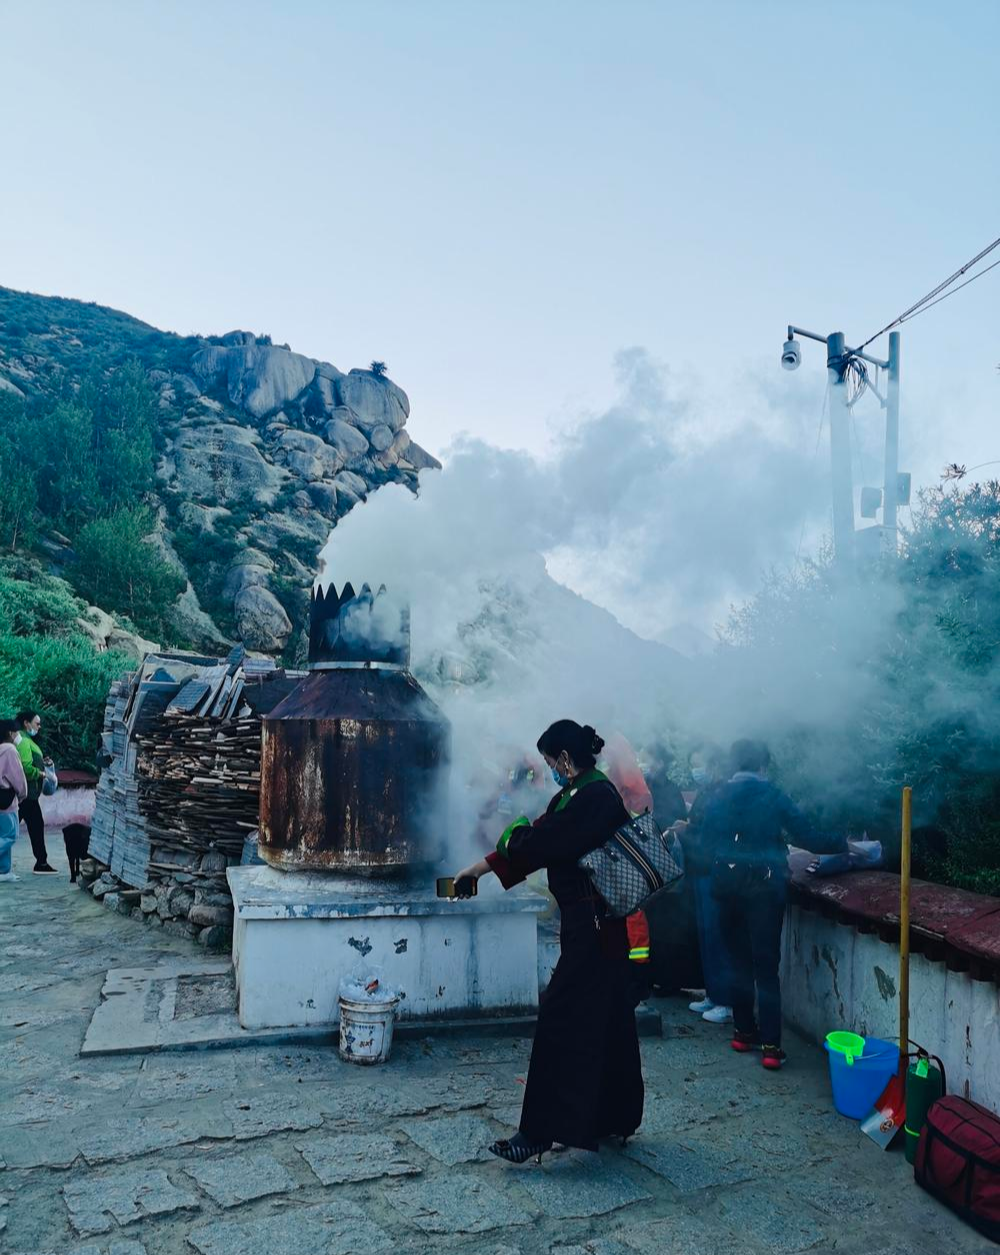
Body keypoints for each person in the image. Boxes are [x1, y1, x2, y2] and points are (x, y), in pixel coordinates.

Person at [453, 719, 643, 1163]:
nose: (548, 771)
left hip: (595, 929)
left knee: (560, 1019)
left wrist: (512, 832)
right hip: (591, 927)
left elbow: (539, 842)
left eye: (548, 762)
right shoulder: (573, 796)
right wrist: (478, 870)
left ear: (563, 759)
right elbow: (538, 839)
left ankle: (540, 1130)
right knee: (609, 1018)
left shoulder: (596, 797)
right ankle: (614, 1117)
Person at [700, 738, 847, 1070]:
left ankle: (742, 1032)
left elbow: (704, 841)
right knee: (765, 967)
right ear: (763, 765)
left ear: (735, 764)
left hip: (726, 887)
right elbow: (806, 836)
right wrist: (843, 843)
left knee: (738, 963)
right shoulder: (772, 794)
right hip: (764, 890)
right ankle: (770, 1047)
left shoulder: (719, 796)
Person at [676, 742, 734, 1025]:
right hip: (699, 870)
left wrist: (686, 830)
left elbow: (711, 836)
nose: (695, 770)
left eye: (699, 764)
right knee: (706, 936)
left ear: (714, 765)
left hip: (714, 872)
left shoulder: (721, 794)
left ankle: (727, 1001)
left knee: (718, 937)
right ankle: (713, 993)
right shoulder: (707, 792)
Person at [16, 710, 56, 874]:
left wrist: (44, 763)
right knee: (35, 827)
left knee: (14, 828)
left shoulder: (26, 740)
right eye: (37, 723)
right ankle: (41, 863)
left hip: (27, 794)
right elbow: (25, 767)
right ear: (27, 723)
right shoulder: (24, 742)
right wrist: (40, 773)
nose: (39, 727)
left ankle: (41, 862)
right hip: (28, 794)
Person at [0, 719, 28, 882]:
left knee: (2, 835)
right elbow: (18, 778)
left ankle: (4, 871)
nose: (18, 736)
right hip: (6, 800)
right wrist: (22, 794)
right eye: (16, 732)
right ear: (10, 733)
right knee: (9, 836)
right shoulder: (9, 750)